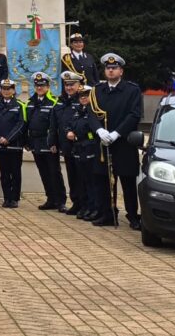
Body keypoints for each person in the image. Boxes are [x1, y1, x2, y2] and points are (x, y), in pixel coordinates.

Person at [90, 53, 142, 229]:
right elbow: (90, 114)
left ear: (121, 71)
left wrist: (116, 133)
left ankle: (133, 216)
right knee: (103, 182)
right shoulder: (97, 90)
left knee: (127, 183)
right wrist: (99, 130)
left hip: (123, 143)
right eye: (108, 68)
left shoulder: (132, 90)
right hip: (103, 143)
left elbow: (134, 115)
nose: (110, 71)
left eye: (114, 68)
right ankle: (107, 214)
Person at [26, 71, 66, 212]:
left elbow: (56, 126)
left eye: (42, 86)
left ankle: (60, 201)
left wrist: (54, 143)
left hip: (49, 143)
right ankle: (50, 199)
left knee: (54, 172)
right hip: (36, 142)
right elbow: (27, 123)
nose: (39, 88)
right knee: (43, 172)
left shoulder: (54, 102)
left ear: (48, 87)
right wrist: (28, 142)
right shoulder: (30, 103)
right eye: (37, 86)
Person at [0, 78, 26, 208]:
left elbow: (21, 124)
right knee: (4, 172)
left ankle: (14, 198)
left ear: (13, 90)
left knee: (15, 172)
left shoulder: (20, 105)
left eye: (9, 89)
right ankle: (6, 197)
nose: (6, 91)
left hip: (14, 144)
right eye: (4, 88)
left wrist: (9, 138)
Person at [69, 84, 104, 222]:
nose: (83, 98)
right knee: (81, 180)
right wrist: (69, 132)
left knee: (91, 181)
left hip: (90, 148)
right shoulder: (78, 111)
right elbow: (69, 124)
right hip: (78, 149)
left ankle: (94, 207)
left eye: (86, 95)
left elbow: (91, 130)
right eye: (81, 96)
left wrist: (79, 135)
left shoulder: (94, 111)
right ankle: (85, 206)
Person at [53, 71, 85, 216]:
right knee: (72, 174)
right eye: (66, 85)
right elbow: (56, 123)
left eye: (72, 84)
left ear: (79, 85)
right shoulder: (62, 101)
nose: (69, 87)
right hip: (66, 144)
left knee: (82, 176)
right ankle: (76, 202)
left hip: (80, 144)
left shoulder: (82, 100)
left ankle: (85, 205)